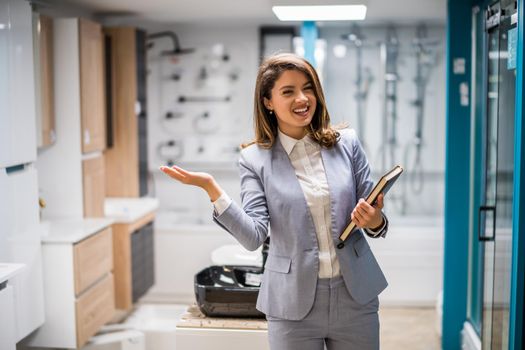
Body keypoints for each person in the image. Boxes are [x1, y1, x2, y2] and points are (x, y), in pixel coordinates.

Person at [160, 52, 389, 350]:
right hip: (291, 302)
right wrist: (212, 189)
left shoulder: (347, 144)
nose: (302, 98)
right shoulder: (254, 159)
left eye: (308, 88)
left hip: (355, 295)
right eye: (288, 91)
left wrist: (374, 220)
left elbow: (375, 218)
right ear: (268, 102)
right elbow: (254, 236)